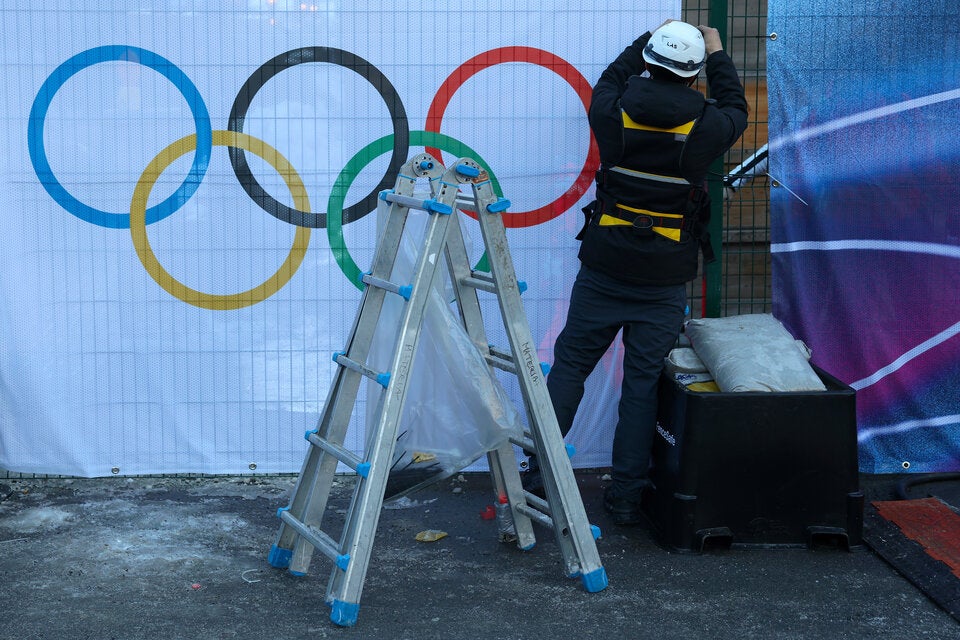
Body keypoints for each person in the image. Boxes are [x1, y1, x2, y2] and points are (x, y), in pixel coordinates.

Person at [525, 20, 748, 525]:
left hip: (603, 270)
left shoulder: (610, 109)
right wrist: (715, 51)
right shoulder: (708, 126)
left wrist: (645, 39)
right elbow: (737, 107)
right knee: (642, 385)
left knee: (569, 371)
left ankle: (538, 474)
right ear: (694, 74)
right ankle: (626, 495)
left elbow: (612, 75)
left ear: (649, 61)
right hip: (664, 280)